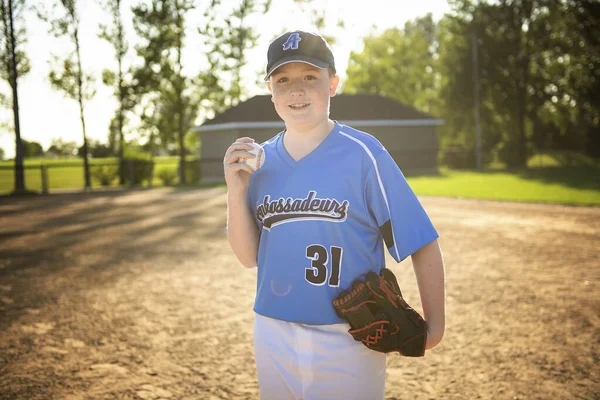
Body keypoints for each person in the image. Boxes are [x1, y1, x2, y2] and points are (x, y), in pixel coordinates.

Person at [223, 30, 446, 400]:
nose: (297, 90)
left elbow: (421, 241)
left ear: (333, 84)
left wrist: (435, 327)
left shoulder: (363, 154)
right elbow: (248, 258)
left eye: (310, 77)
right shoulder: (258, 164)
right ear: (270, 89)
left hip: (350, 336)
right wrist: (236, 190)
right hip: (272, 331)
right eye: (284, 80)